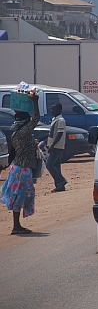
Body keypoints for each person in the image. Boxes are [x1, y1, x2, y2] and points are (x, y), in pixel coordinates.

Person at [1, 93, 40, 235]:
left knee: (17, 196)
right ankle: (16, 226)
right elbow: (36, 119)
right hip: (22, 169)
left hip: (16, 167)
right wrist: (35, 102)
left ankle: (17, 225)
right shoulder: (23, 132)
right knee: (19, 196)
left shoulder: (16, 133)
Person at [45, 103, 68, 193]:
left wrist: (53, 145)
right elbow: (52, 134)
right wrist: (46, 142)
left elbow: (59, 133)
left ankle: (61, 180)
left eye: (53, 109)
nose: (51, 111)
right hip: (54, 145)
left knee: (49, 164)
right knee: (56, 166)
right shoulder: (55, 120)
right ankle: (59, 186)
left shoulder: (60, 120)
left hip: (57, 146)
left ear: (59, 110)